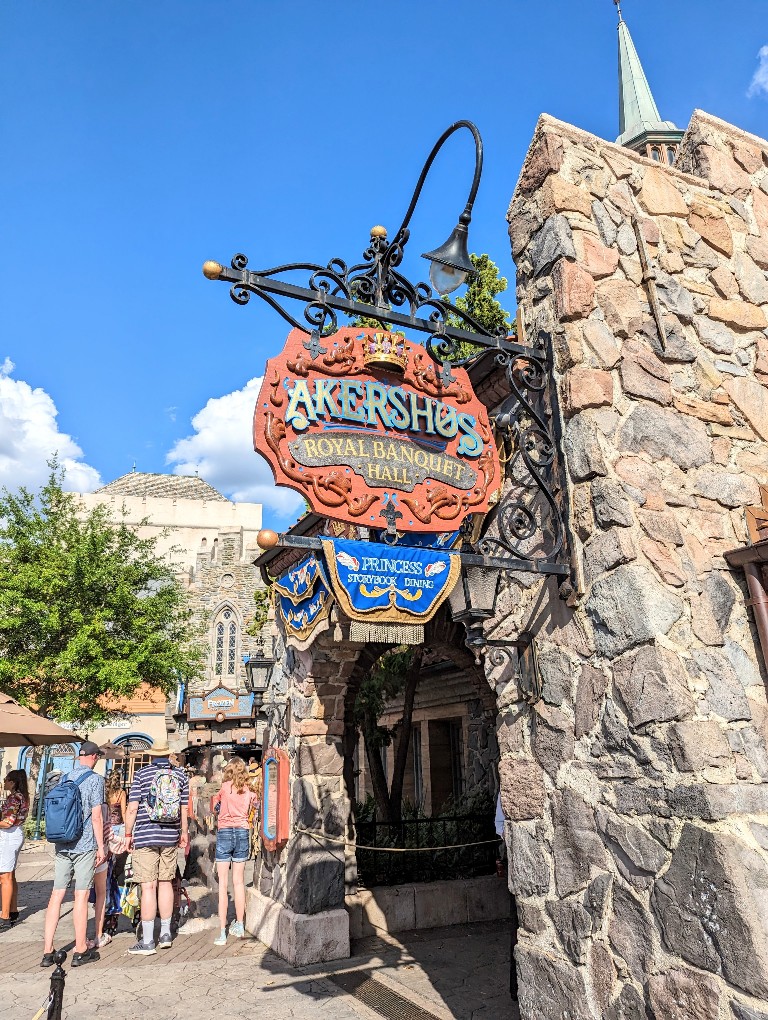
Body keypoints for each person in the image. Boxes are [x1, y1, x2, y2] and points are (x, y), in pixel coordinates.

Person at [41, 741, 106, 969]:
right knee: (80, 896)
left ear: (80, 756)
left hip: (62, 844)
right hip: (84, 844)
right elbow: (97, 816)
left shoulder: (64, 777)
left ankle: (47, 951)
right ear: (94, 757)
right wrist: (101, 847)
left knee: (56, 896)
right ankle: (80, 949)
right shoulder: (96, 780)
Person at [123, 741, 189, 956]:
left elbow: (132, 807)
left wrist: (127, 834)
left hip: (145, 835)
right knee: (166, 883)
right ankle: (166, 934)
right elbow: (184, 808)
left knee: (148, 886)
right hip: (170, 835)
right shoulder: (180, 775)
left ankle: (148, 940)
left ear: (151, 755)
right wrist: (184, 833)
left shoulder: (141, 775)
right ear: (169, 754)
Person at [211, 757, 257, 945]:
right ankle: (239, 924)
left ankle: (222, 932)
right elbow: (256, 807)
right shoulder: (248, 790)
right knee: (239, 882)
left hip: (224, 833)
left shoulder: (224, 788)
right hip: (242, 832)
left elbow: (214, 808)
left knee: (223, 884)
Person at [0, 770, 30, 932]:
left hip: (9, 836)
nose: (4, 782)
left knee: (5, 877)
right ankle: (12, 910)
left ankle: (4, 917)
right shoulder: (22, 796)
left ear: (12, 782)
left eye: (6, 780)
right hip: (16, 834)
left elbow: (7, 822)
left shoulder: (13, 798)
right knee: (10, 875)